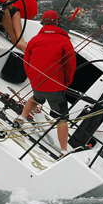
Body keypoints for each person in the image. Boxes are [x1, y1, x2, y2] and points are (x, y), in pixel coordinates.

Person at [18, 10, 76, 156]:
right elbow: (70, 66)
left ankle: (21, 118)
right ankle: (63, 150)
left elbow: (26, 60)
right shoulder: (64, 41)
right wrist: (65, 84)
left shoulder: (35, 40)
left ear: (44, 23)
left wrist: (32, 77)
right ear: (57, 22)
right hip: (54, 86)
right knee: (62, 117)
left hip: (36, 82)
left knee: (37, 98)